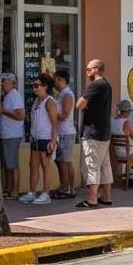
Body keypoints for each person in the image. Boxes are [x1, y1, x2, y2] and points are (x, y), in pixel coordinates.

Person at [76, 58, 114, 208]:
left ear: (97, 69)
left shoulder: (95, 85)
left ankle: (92, 199)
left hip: (93, 132)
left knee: (92, 165)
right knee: (105, 165)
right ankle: (107, 197)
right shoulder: (107, 85)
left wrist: (85, 106)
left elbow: (79, 104)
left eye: (89, 69)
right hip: (104, 131)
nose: (87, 72)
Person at [22, 73, 58, 204]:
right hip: (35, 137)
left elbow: (55, 123)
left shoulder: (49, 102)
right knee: (33, 165)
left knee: (45, 165)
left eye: (37, 85)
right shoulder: (37, 101)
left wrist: (53, 140)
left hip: (46, 137)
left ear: (45, 86)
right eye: (33, 85)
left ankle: (45, 193)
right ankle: (32, 192)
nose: (34, 88)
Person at [0, 72, 25, 198]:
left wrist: (4, 111)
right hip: (6, 134)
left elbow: (20, 116)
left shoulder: (14, 95)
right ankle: (9, 188)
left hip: (12, 134)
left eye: (5, 81)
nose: (2, 83)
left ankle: (14, 190)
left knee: (12, 164)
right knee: (7, 165)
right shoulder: (7, 96)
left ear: (12, 82)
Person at [53, 69, 77, 199]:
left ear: (60, 79)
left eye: (55, 79)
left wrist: (52, 114)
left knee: (64, 161)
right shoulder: (61, 94)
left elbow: (65, 114)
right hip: (62, 131)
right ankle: (66, 186)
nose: (54, 82)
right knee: (62, 161)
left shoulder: (67, 94)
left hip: (65, 132)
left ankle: (67, 188)